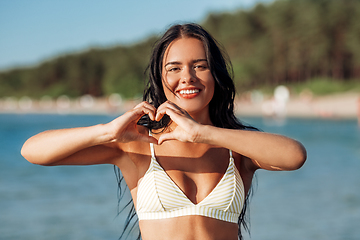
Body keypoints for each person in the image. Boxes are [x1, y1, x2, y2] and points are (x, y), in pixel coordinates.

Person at [21, 23, 307, 240]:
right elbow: (33, 152)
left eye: (200, 66)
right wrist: (105, 132)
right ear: (161, 77)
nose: (187, 78)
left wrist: (204, 134)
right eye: (174, 68)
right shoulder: (138, 143)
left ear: (215, 74)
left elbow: (294, 156)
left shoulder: (236, 149)